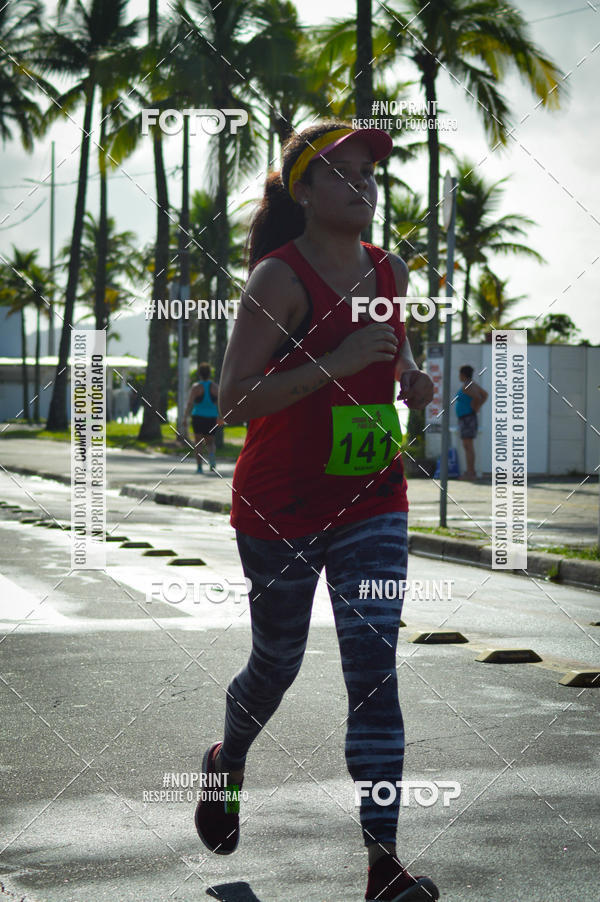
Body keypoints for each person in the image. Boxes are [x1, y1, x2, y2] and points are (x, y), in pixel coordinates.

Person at [194, 121, 439, 902]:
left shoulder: (389, 270)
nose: (363, 184)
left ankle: (382, 864)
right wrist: (331, 365)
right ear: (302, 190)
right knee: (278, 664)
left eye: (371, 172)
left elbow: (393, 354)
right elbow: (232, 401)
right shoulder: (280, 278)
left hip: (373, 497)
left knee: (373, 673)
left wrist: (414, 380)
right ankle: (226, 760)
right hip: (281, 506)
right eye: (342, 172)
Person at [184, 363, 219, 473]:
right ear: (209, 373)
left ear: (199, 373)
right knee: (211, 442)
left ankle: (199, 468)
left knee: (198, 443)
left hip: (198, 417)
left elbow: (190, 403)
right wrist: (221, 416)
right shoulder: (215, 387)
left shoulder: (196, 387)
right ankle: (212, 460)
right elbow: (220, 403)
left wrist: (185, 417)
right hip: (212, 417)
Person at [455, 364, 488, 480]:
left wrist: (475, 407)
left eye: (459, 374)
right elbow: (484, 394)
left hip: (467, 418)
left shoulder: (467, 386)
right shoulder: (471, 384)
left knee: (468, 446)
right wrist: (476, 406)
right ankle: (470, 471)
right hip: (467, 418)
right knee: (467, 446)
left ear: (463, 375)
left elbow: (479, 397)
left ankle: (470, 473)